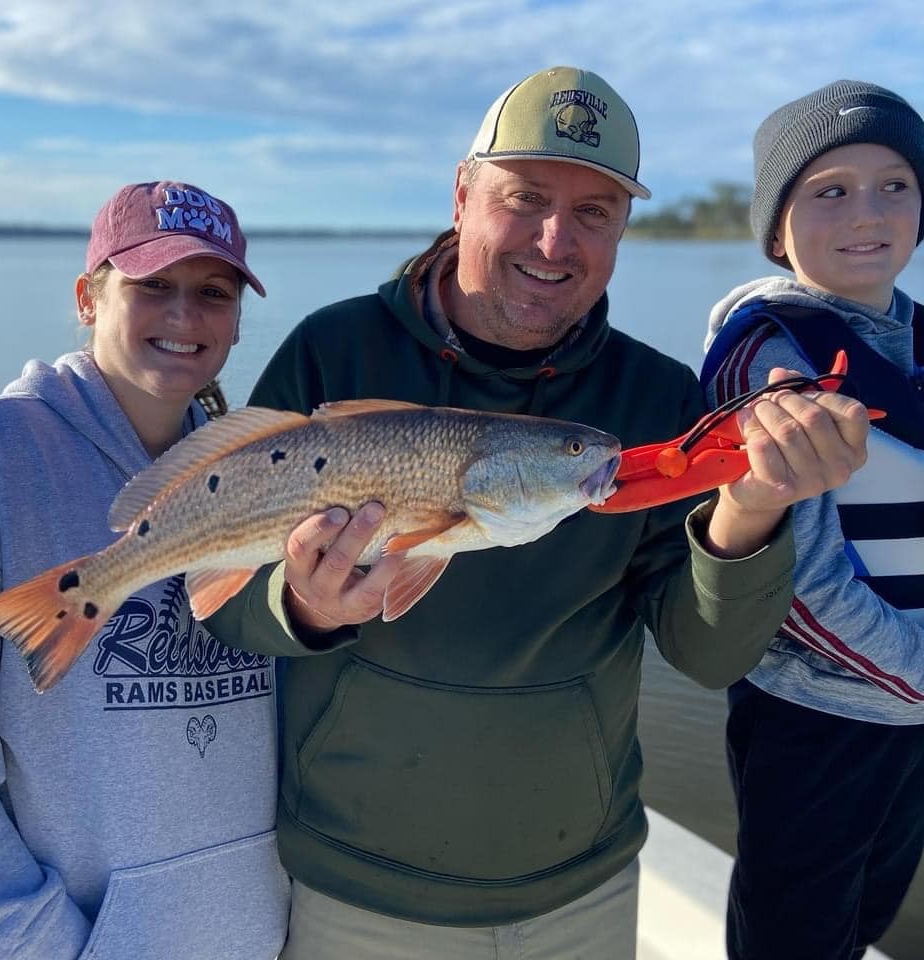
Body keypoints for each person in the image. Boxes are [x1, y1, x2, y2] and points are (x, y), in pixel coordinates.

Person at [206, 67, 869, 960]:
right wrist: (306, 605)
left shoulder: (653, 396)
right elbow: (225, 608)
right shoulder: (334, 351)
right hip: (357, 885)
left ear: (623, 230)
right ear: (462, 196)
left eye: (595, 212)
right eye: (525, 199)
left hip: (582, 889)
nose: (556, 241)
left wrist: (751, 509)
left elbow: (708, 654)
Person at [0, 181, 290, 960]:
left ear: (239, 320)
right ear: (87, 296)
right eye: (153, 286)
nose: (184, 316)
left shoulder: (263, 464)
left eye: (213, 292)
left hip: (254, 930)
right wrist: (31, 941)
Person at [701, 80, 924, 960]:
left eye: (895, 184)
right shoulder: (767, 362)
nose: (866, 213)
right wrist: (916, 677)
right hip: (817, 714)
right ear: (778, 221)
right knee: (792, 935)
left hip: (911, 711)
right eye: (828, 191)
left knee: (873, 906)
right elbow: (797, 583)